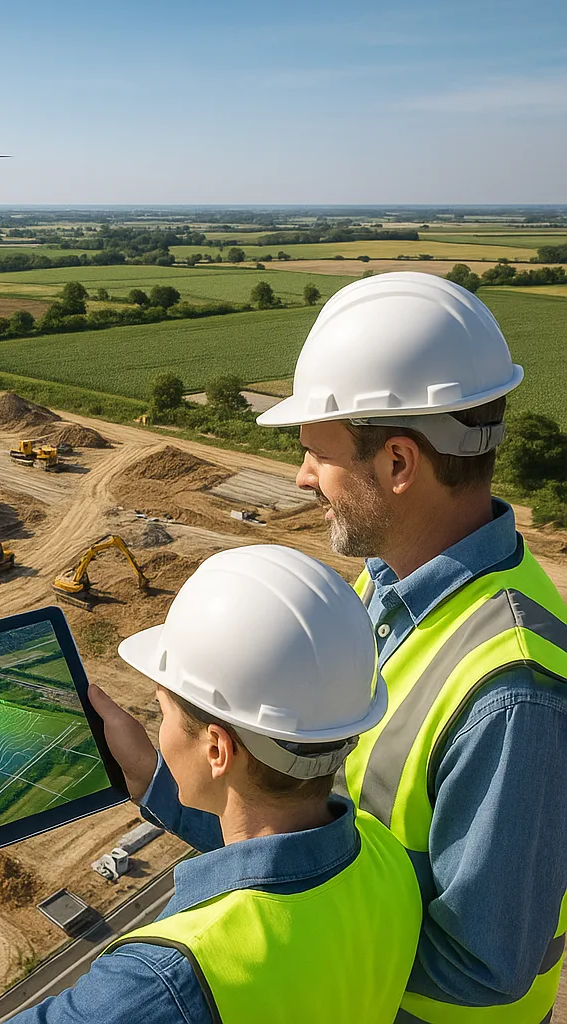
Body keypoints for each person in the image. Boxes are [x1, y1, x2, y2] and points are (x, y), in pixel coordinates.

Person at [112, 272, 567, 1022]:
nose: (301, 477)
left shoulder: (512, 691)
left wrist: (273, 935)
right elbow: (320, 826)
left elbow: (485, 965)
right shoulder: (385, 593)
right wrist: (159, 782)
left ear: (397, 463)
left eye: (316, 455)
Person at [0, 545, 422, 1024]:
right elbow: (274, 859)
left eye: (164, 712)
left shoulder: (165, 980)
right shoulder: (382, 857)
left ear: (216, 748)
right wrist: (150, 777)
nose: (156, 724)